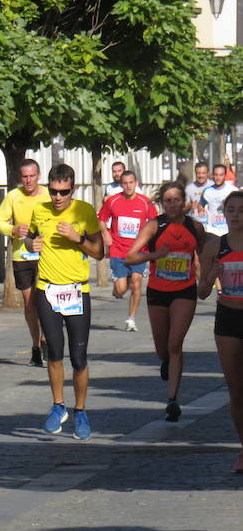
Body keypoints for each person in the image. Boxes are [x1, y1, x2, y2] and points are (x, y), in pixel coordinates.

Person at [26, 164, 104, 440]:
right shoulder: (40, 210)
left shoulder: (84, 211)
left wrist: (77, 237)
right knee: (54, 352)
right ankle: (58, 405)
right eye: (54, 191)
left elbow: (99, 252)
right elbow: (30, 238)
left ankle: (80, 410)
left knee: (79, 357)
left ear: (73, 189)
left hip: (76, 291)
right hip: (47, 290)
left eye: (64, 192)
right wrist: (29, 245)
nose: (58, 197)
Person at [125, 182, 204, 422]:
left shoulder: (195, 226)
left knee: (175, 342)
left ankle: (172, 400)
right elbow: (130, 256)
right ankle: (166, 361)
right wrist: (154, 256)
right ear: (162, 203)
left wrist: (207, 278)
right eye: (167, 200)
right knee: (162, 348)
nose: (172, 204)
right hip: (158, 292)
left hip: (185, 290)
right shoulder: (154, 226)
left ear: (184, 202)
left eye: (176, 200)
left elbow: (203, 253)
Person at [197, 190, 243, 473]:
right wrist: (211, 277)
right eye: (232, 210)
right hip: (227, 318)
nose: (236, 215)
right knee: (237, 391)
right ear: (224, 213)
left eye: (241, 210)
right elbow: (201, 292)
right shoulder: (215, 247)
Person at [0, 158, 50, 366]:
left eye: (32, 176)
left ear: (38, 176)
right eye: (24, 176)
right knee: (29, 303)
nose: (28, 181)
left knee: (45, 300)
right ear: (20, 177)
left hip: (46, 256)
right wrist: (13, 230)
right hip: (21, 257)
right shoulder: (13, 197)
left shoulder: (49, 194)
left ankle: (46, 340)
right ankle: (35, 344)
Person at [98, 170, 157, 331]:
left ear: (136, 183)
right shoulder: (113, 201)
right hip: (118, 249)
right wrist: (106, 235)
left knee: (137, 284)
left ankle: (131, 319)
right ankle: (119, 287)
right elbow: (101, 220)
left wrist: (151, 243)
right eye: (125, 183)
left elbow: (154, 224)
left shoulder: (145, 203)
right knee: (121, 289)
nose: (128, 186)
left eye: (131, 182)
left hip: (139, 250)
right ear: (121, 185)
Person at [200, 164, 238, 239]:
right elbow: (200, 206)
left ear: (225, 175)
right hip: (212, 231)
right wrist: (201, 211)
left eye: (221, 175)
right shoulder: (207, 191)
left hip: (228, 230)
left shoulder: (233, 190)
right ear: (212, 175)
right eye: (216, 175)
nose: (218, 178)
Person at [185, 161, 212, 226]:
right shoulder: (189, 188)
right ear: (195, 173)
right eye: (198, 173)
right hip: (195, 224)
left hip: (211, 224)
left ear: (207, 173)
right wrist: (191, 207)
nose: (201, 176)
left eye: (203, 173)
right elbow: (184, 208)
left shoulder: (213, 186)